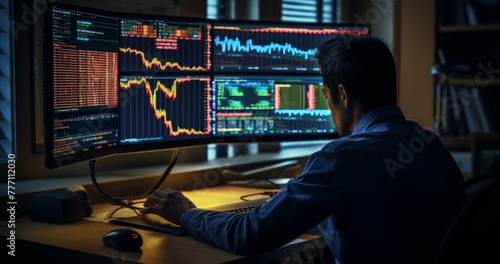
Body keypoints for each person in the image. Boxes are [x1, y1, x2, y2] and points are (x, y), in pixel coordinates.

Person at [141, 35, 466, 263]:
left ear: (342, 94)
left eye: (325, 96)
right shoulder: (428, 143)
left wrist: (186, 213)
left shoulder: (342, 158)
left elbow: (250, 236)